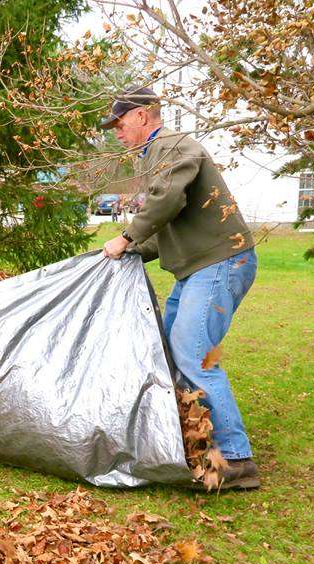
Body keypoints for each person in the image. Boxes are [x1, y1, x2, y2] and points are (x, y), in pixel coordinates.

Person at [100, 86, 259, 489]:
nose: (116, 132)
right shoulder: (157, 154)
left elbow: (166, 200)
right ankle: (195, 440)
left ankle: (237, 459)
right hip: (198, 268)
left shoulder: (171, 144)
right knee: (171, 348)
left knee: (193, 353)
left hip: (219, 262)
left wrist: (126, 236)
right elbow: (169, 225)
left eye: (119, 123)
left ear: (141, 116)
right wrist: (131, 252)